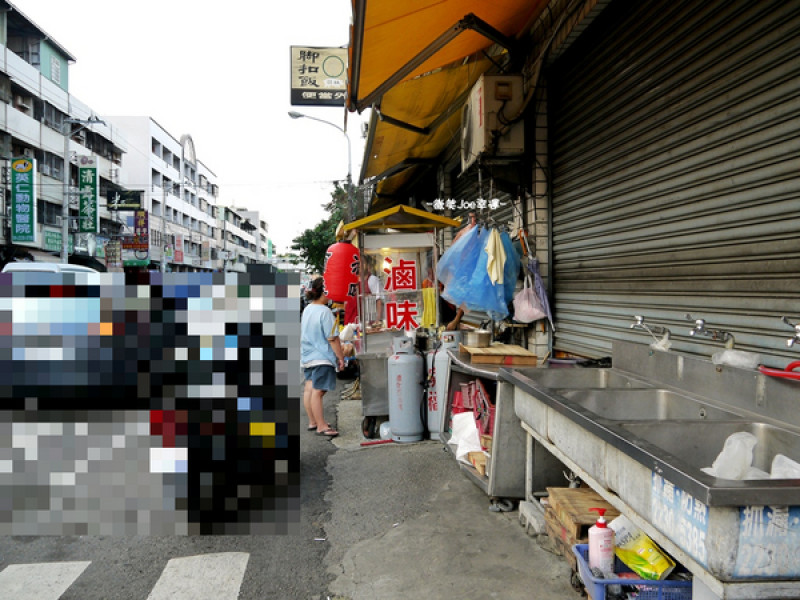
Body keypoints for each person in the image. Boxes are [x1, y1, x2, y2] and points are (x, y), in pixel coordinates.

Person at [301, 277, 345, 438]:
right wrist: (340, 358)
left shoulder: (308, 309)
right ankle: (321, 426)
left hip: (308, 355)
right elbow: (332, 338)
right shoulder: (324, 312)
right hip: (322, 356)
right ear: (325, 292)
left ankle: (313, 422)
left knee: (309, 389)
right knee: (318, 392)